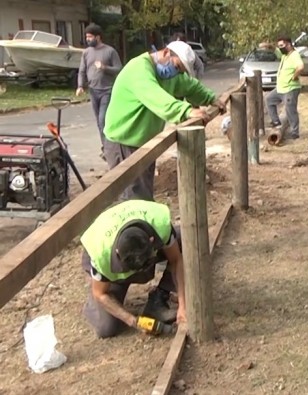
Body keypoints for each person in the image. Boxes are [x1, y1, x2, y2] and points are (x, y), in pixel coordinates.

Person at [103, 40, 222, 201]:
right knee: (133, 200)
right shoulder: (138, 69)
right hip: (123, 142)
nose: (176, 72)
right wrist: (186, 111)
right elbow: (157, 98)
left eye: (180, 71)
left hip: (143, 144)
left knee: (144, 196)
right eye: (177, 66)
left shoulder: (171, 76)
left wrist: (211, 99)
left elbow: (190, 86)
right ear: (166, 52)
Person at [80, 200, 185, 338]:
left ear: (151, 240)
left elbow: (176, 260)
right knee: (106, 328)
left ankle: (160, 295)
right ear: (117, 253)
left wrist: (183, 305)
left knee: (186, 240)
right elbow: (100, 294)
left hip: (147, 239)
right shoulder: (101, 255)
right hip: (105, 256)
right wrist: (133, 321)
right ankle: (93, 305)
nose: (140, 273)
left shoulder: (159, 225)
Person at [75, 23, 122, 157]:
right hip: (93, 91)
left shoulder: (110, 51)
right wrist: (80, 86)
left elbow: (119, 68)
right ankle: (106, 148)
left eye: (90, 37)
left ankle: (109, 149)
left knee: (103, 121)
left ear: (98, 37)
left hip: (107, 90)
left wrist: (104, 68)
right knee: (99, 122)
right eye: (87, 37)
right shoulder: (86, 53)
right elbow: (82, 71)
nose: (87, 39)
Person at [265, 36, 303, 141]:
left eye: (282, 45)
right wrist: (268, 45)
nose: (280, 48)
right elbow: (274, 49)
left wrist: (294, 77)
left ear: (289, 44)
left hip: (290, 88)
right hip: (280, 88)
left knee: (290, 110)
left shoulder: (294, 55)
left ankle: (295, 133)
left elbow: (300, 67)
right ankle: (276, 122)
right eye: (279, 46)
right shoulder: (284, 55)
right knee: (269, 99)